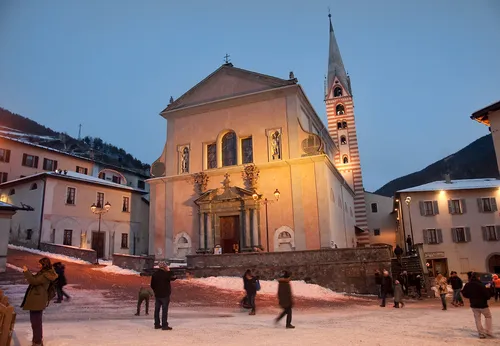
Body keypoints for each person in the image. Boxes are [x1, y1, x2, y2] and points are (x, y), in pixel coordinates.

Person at [21, 257, 58, 346]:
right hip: (37, 299)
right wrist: (28, 272)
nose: (38, 265)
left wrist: (26, 272)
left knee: (36, 322)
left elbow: (34, 281)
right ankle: (37, 340)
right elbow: (34, 279)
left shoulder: (46, 275)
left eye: (40, 264)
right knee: (35, 321)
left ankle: (37, 342)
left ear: (44, 265)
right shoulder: (44, 273)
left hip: (38, 300)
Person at [462, 272, 494, 339]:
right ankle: (488, 331)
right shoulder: (481, 285)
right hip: (483, 304)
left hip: (474, 304)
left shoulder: (468, 284)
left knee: (477, 319)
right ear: (478, 277)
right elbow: (487, 296)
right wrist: (488, 289)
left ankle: (481, 333)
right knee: (488, 316)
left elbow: (464, 293)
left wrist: (470, 296)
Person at [150, 262, 177, 330]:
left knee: (157, 310)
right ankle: (164, 325)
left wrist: (155, 291)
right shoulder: (166, 274)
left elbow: (152, 285)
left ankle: (157, 324)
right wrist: (169, 271)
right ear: (165, 267)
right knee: (164, 310)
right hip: (165, 294)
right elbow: (174, 278)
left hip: (157, 294)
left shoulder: (155, 274)